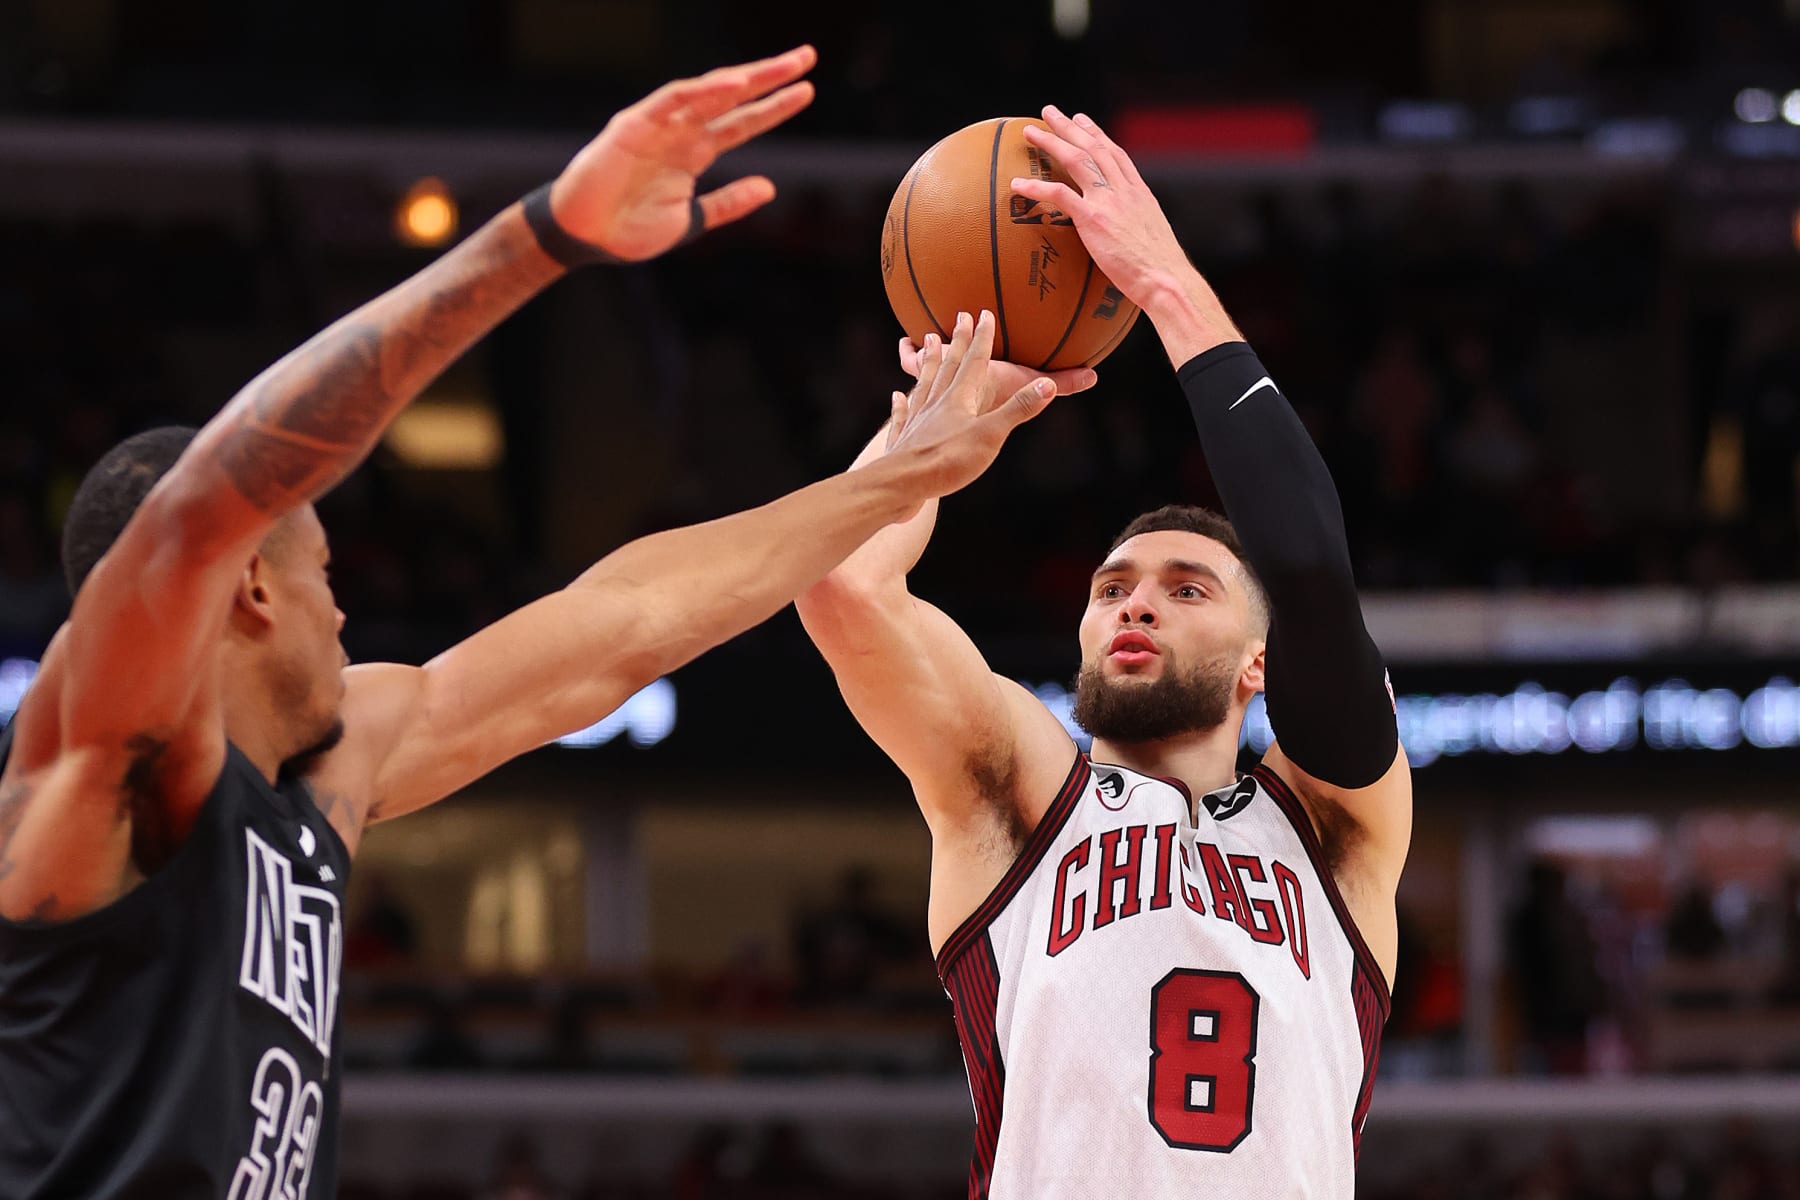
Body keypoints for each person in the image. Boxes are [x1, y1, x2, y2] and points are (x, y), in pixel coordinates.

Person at [0, 49, 1088, 1200]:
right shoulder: (97, 771)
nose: (345, 605)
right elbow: (207, 501)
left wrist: (891, 478)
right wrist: (544, 236)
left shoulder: (333, 766)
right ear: (250, 587)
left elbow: (623, 624)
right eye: (321, 570)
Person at [796, 105, 1410, 1198]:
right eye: (1113, 587)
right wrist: (932, 432)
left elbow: (1312, 573)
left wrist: (1166, 282)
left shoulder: (1333, 826)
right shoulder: (1023, 794)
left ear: (1259, 659)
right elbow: (844, 587)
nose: (1138, 607)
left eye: (1187, 589)